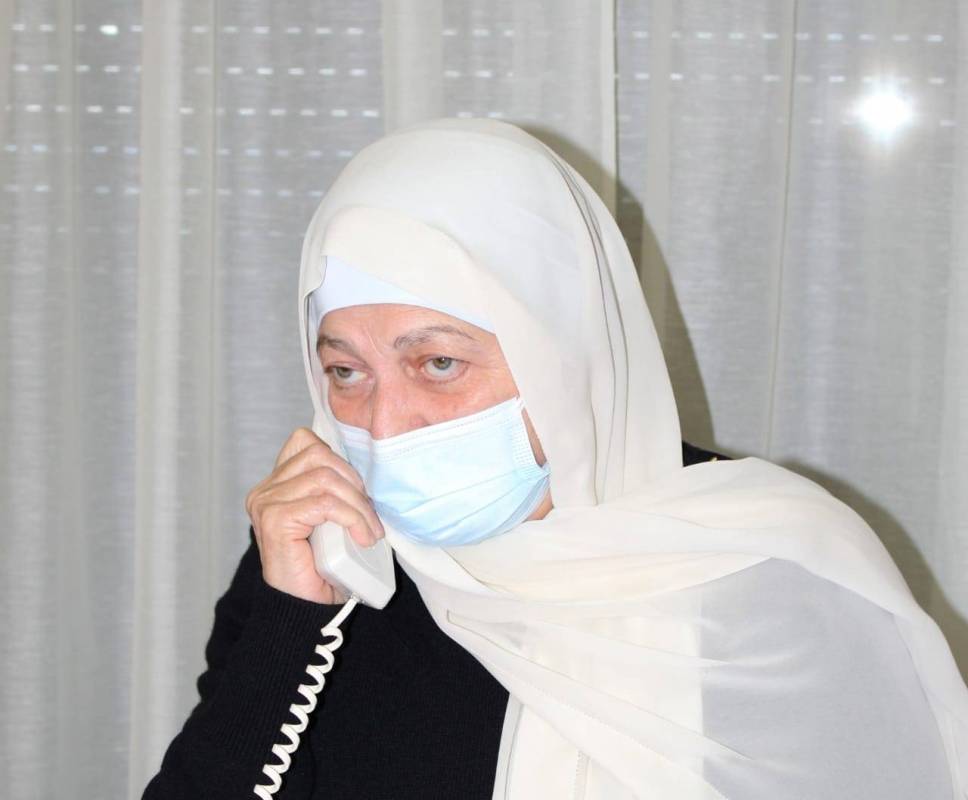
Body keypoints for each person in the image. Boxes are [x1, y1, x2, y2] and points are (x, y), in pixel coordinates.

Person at [144, 117, 968, 799]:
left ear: (559, 346)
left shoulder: (760, 562)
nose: (386, 426)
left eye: (438, 362)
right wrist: (289, 622)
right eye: (346, 373)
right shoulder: (320, 556)